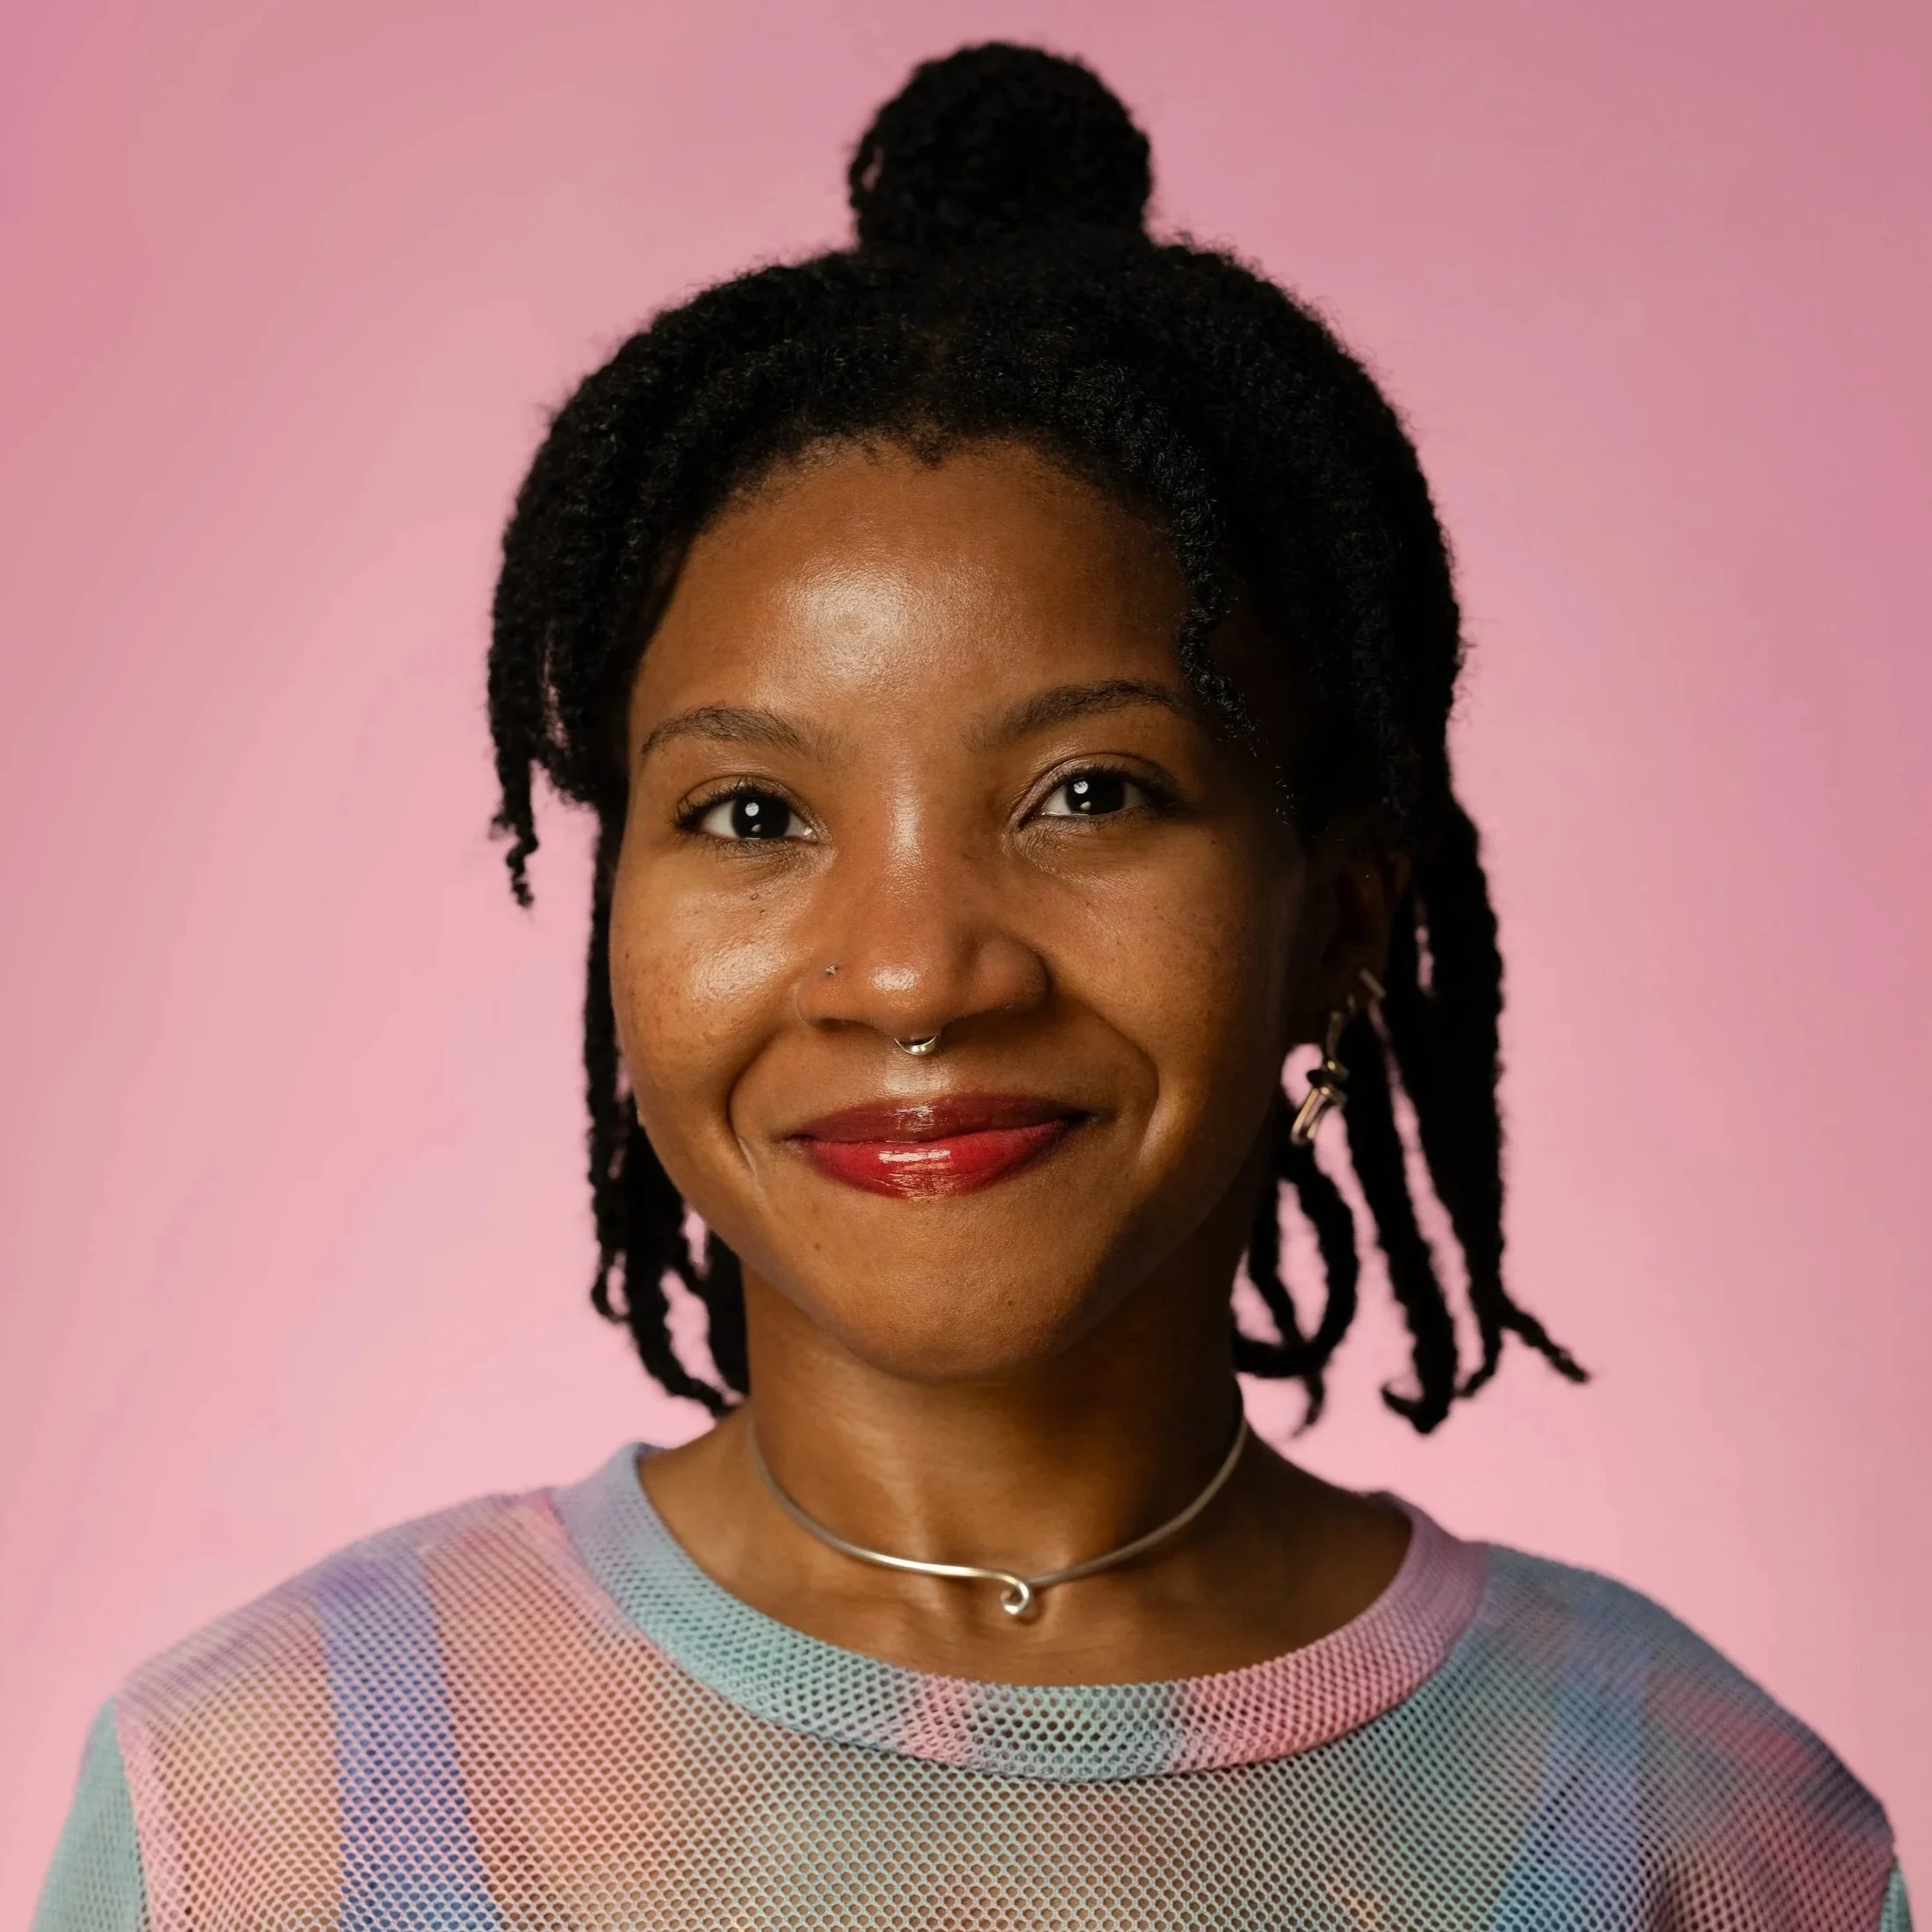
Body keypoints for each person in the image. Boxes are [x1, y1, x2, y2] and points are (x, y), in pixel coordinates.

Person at [35, 42, 1908, 1932]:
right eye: (752, 809)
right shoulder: (272, 1794)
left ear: (1338, 918)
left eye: (1089, 792)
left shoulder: (1685, 1819)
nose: (915, 968)